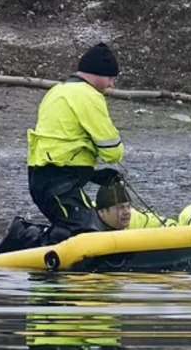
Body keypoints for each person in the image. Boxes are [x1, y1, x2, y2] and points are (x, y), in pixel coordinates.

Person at [26, 42, 125, 246]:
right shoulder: (88, 95)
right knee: (82, 232)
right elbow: (111, 149)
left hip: (46, 177)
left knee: (76, 227)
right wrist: (115, 155)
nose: (111, 85)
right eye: (110, 78)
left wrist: (93, 176)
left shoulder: (57, 91)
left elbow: (63, 146)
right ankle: (24, 242)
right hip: (57, 182)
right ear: (97, 73)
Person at [0, 177, 174, 254]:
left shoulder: (133, 218)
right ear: (103, 212)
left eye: (127, 207)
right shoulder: (88, 229)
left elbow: (167, 225)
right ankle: (24, 232)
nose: (126, 212)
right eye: (119, 208)